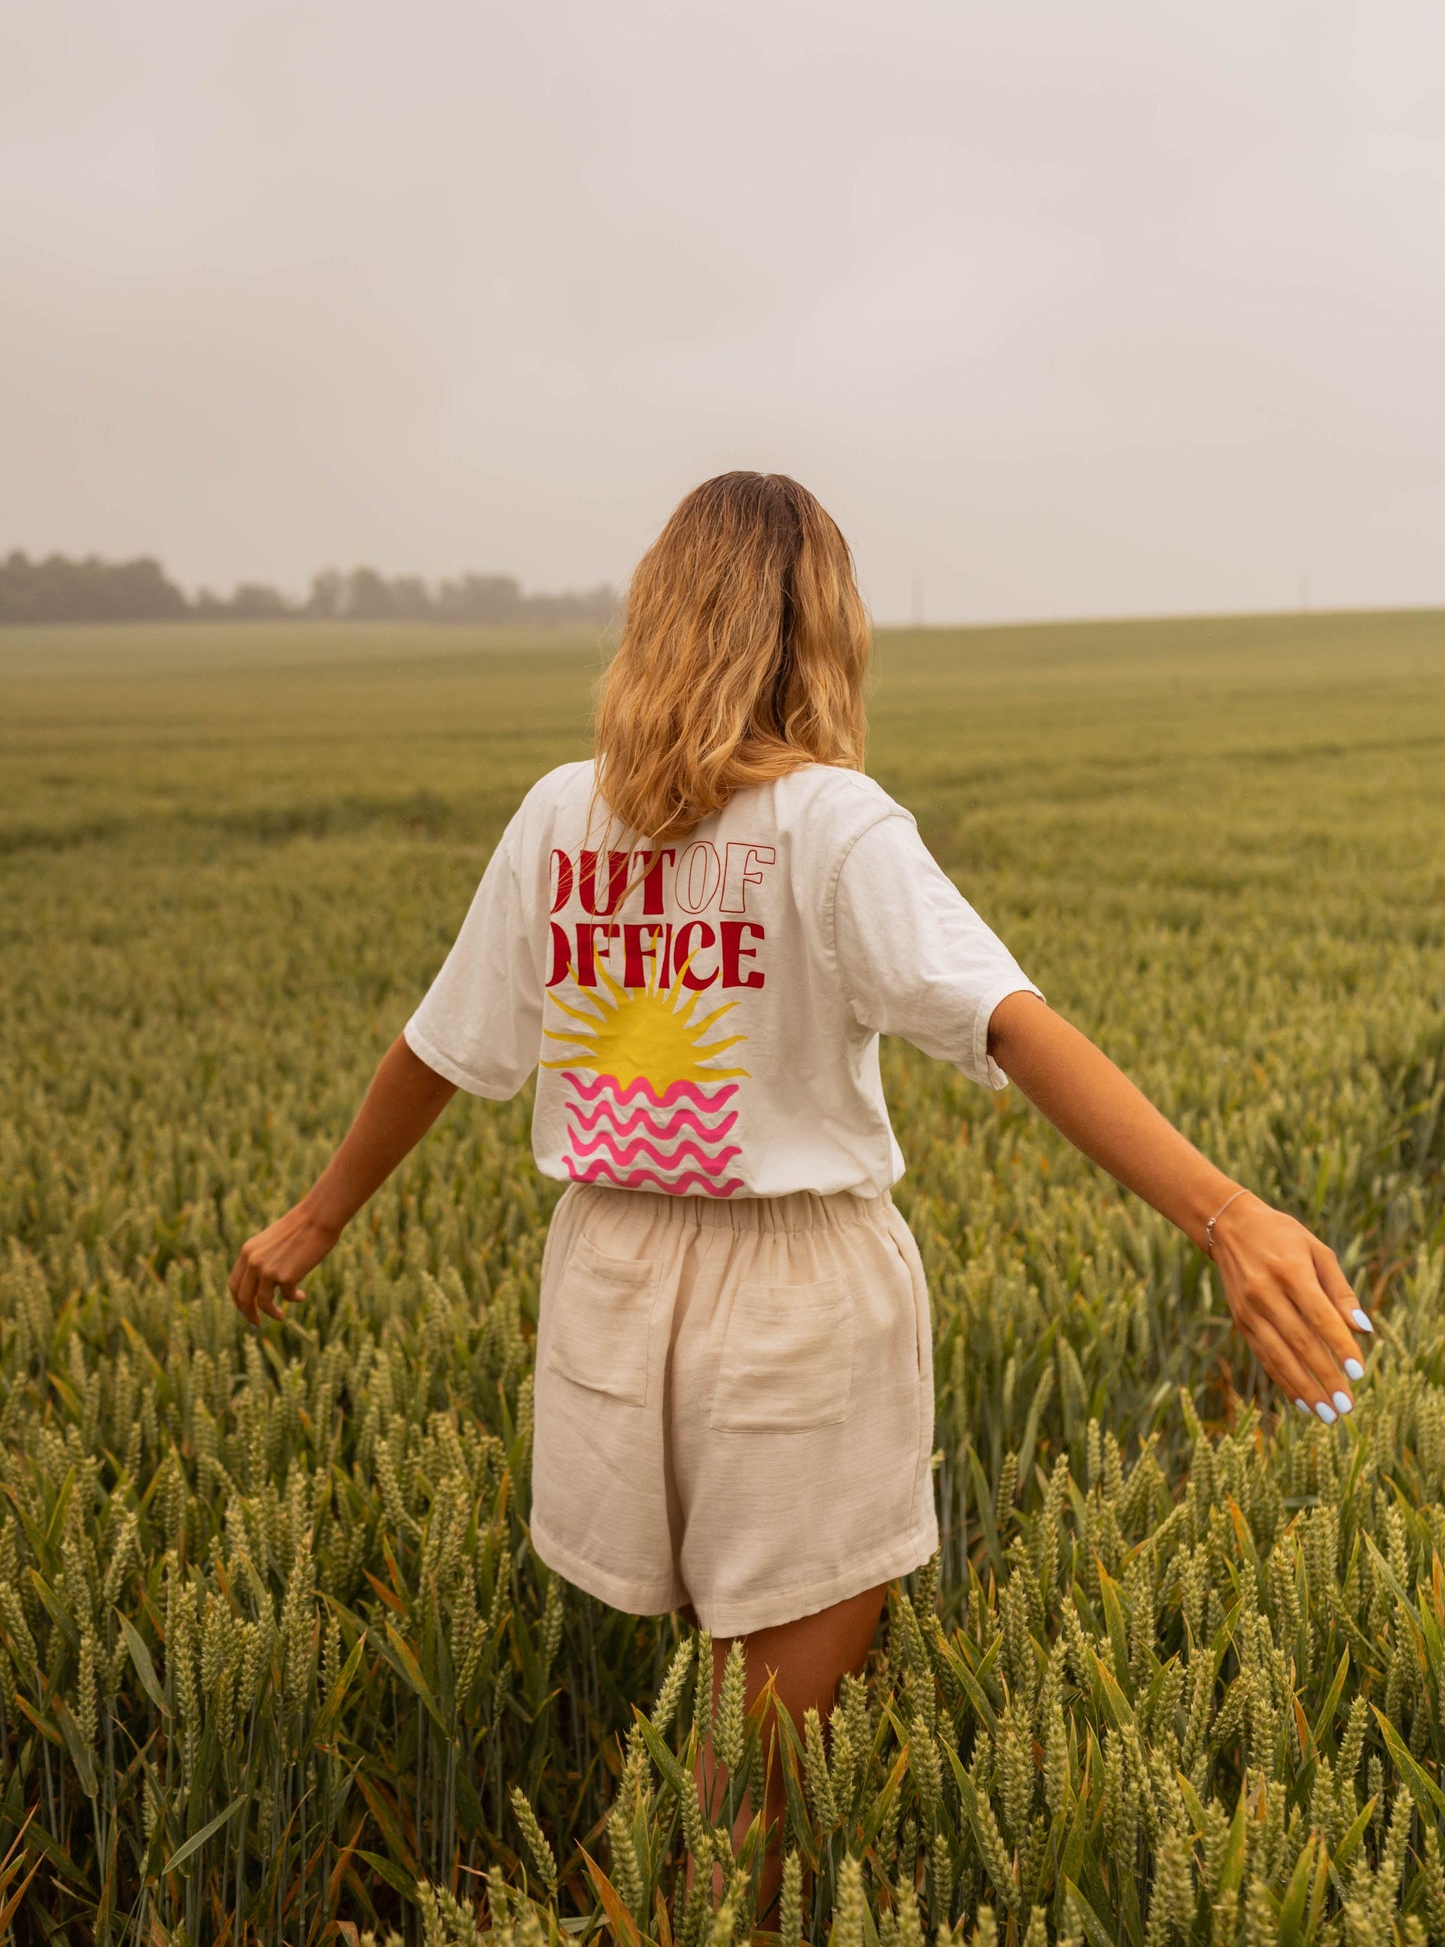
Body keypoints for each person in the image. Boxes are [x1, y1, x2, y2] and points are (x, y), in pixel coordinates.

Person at [228, 470, 1373, 1927]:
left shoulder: (559, 815)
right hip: (794, 1310)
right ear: (819, 630)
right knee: (756, 1770)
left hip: (608, 1291)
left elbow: (440, 1047)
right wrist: (1222, 1210)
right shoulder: (832, 823)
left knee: (716, 1716)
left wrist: (319, 1216)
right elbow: (1008, 1020)